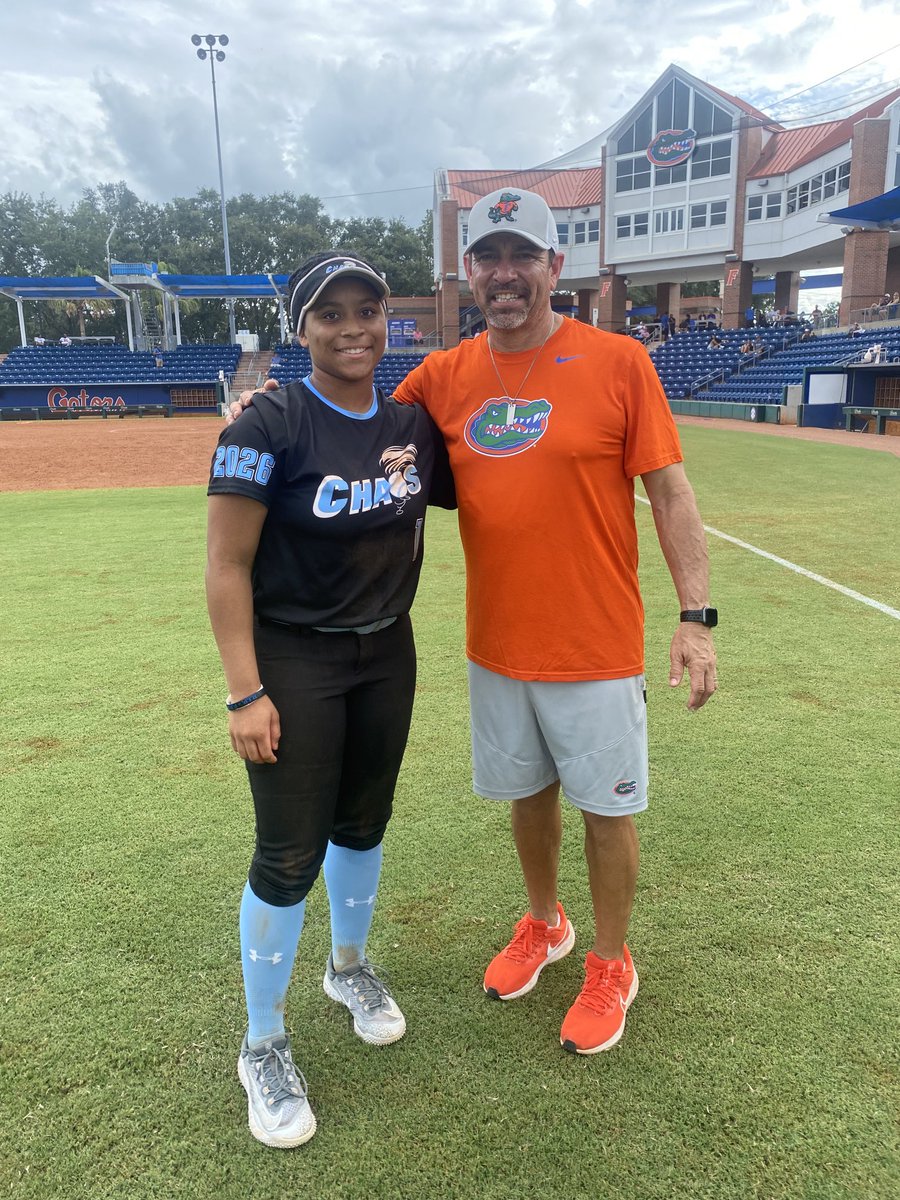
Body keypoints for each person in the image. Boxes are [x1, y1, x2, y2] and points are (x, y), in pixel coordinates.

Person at [231, 189, 717, 1058]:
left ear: (553, 269)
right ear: (469, 273)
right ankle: (545, 922)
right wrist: (260, 406)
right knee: (527, 799)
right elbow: (357, 409)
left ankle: (611, 960)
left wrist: (696, 616)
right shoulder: (444, 378)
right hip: (497, 647)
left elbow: (670, 492)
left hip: (595, 644)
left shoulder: (618, 362)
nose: (504, 273)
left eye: (522, 255)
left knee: (607, 812)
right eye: (488, 257)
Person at [207, 252, 453, 1148]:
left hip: (389, 652)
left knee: (364, 824)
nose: (353, 328)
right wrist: (245, 692)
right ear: (300, 328)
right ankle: (261, 1042)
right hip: (295, 659)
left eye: (369, 310)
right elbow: (227, 565)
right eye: (331, 314)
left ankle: (347, 968)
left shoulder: (411, 425)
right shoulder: (269, 421)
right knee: (286, 854)